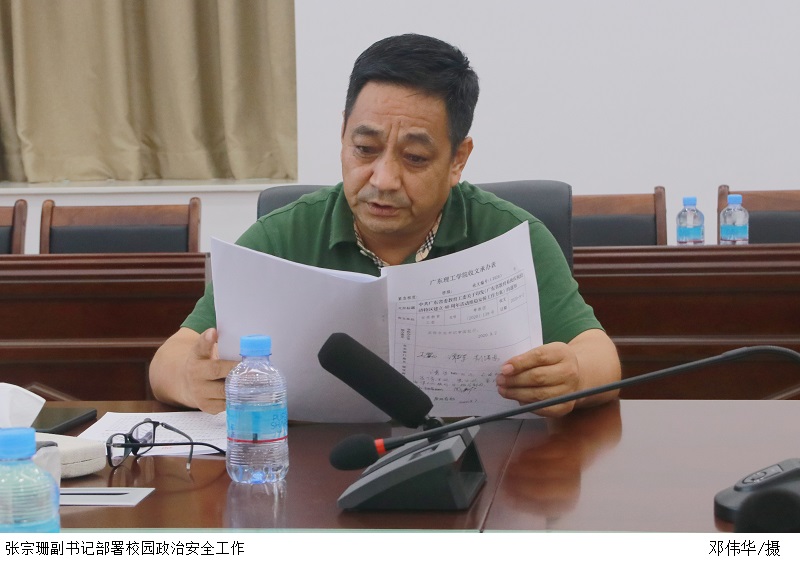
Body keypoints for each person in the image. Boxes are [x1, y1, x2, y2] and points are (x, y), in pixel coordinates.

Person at [149, 33, 621, 418]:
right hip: (312, 473)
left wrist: (573, 374)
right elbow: (168, 360)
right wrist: (192, 379)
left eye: (414, 157)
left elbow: (601, 356)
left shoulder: (511, 236)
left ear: (458, 159)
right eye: (365, 149)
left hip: (480, 469)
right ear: (343, 134)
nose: (383, 179)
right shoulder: (279, 236)